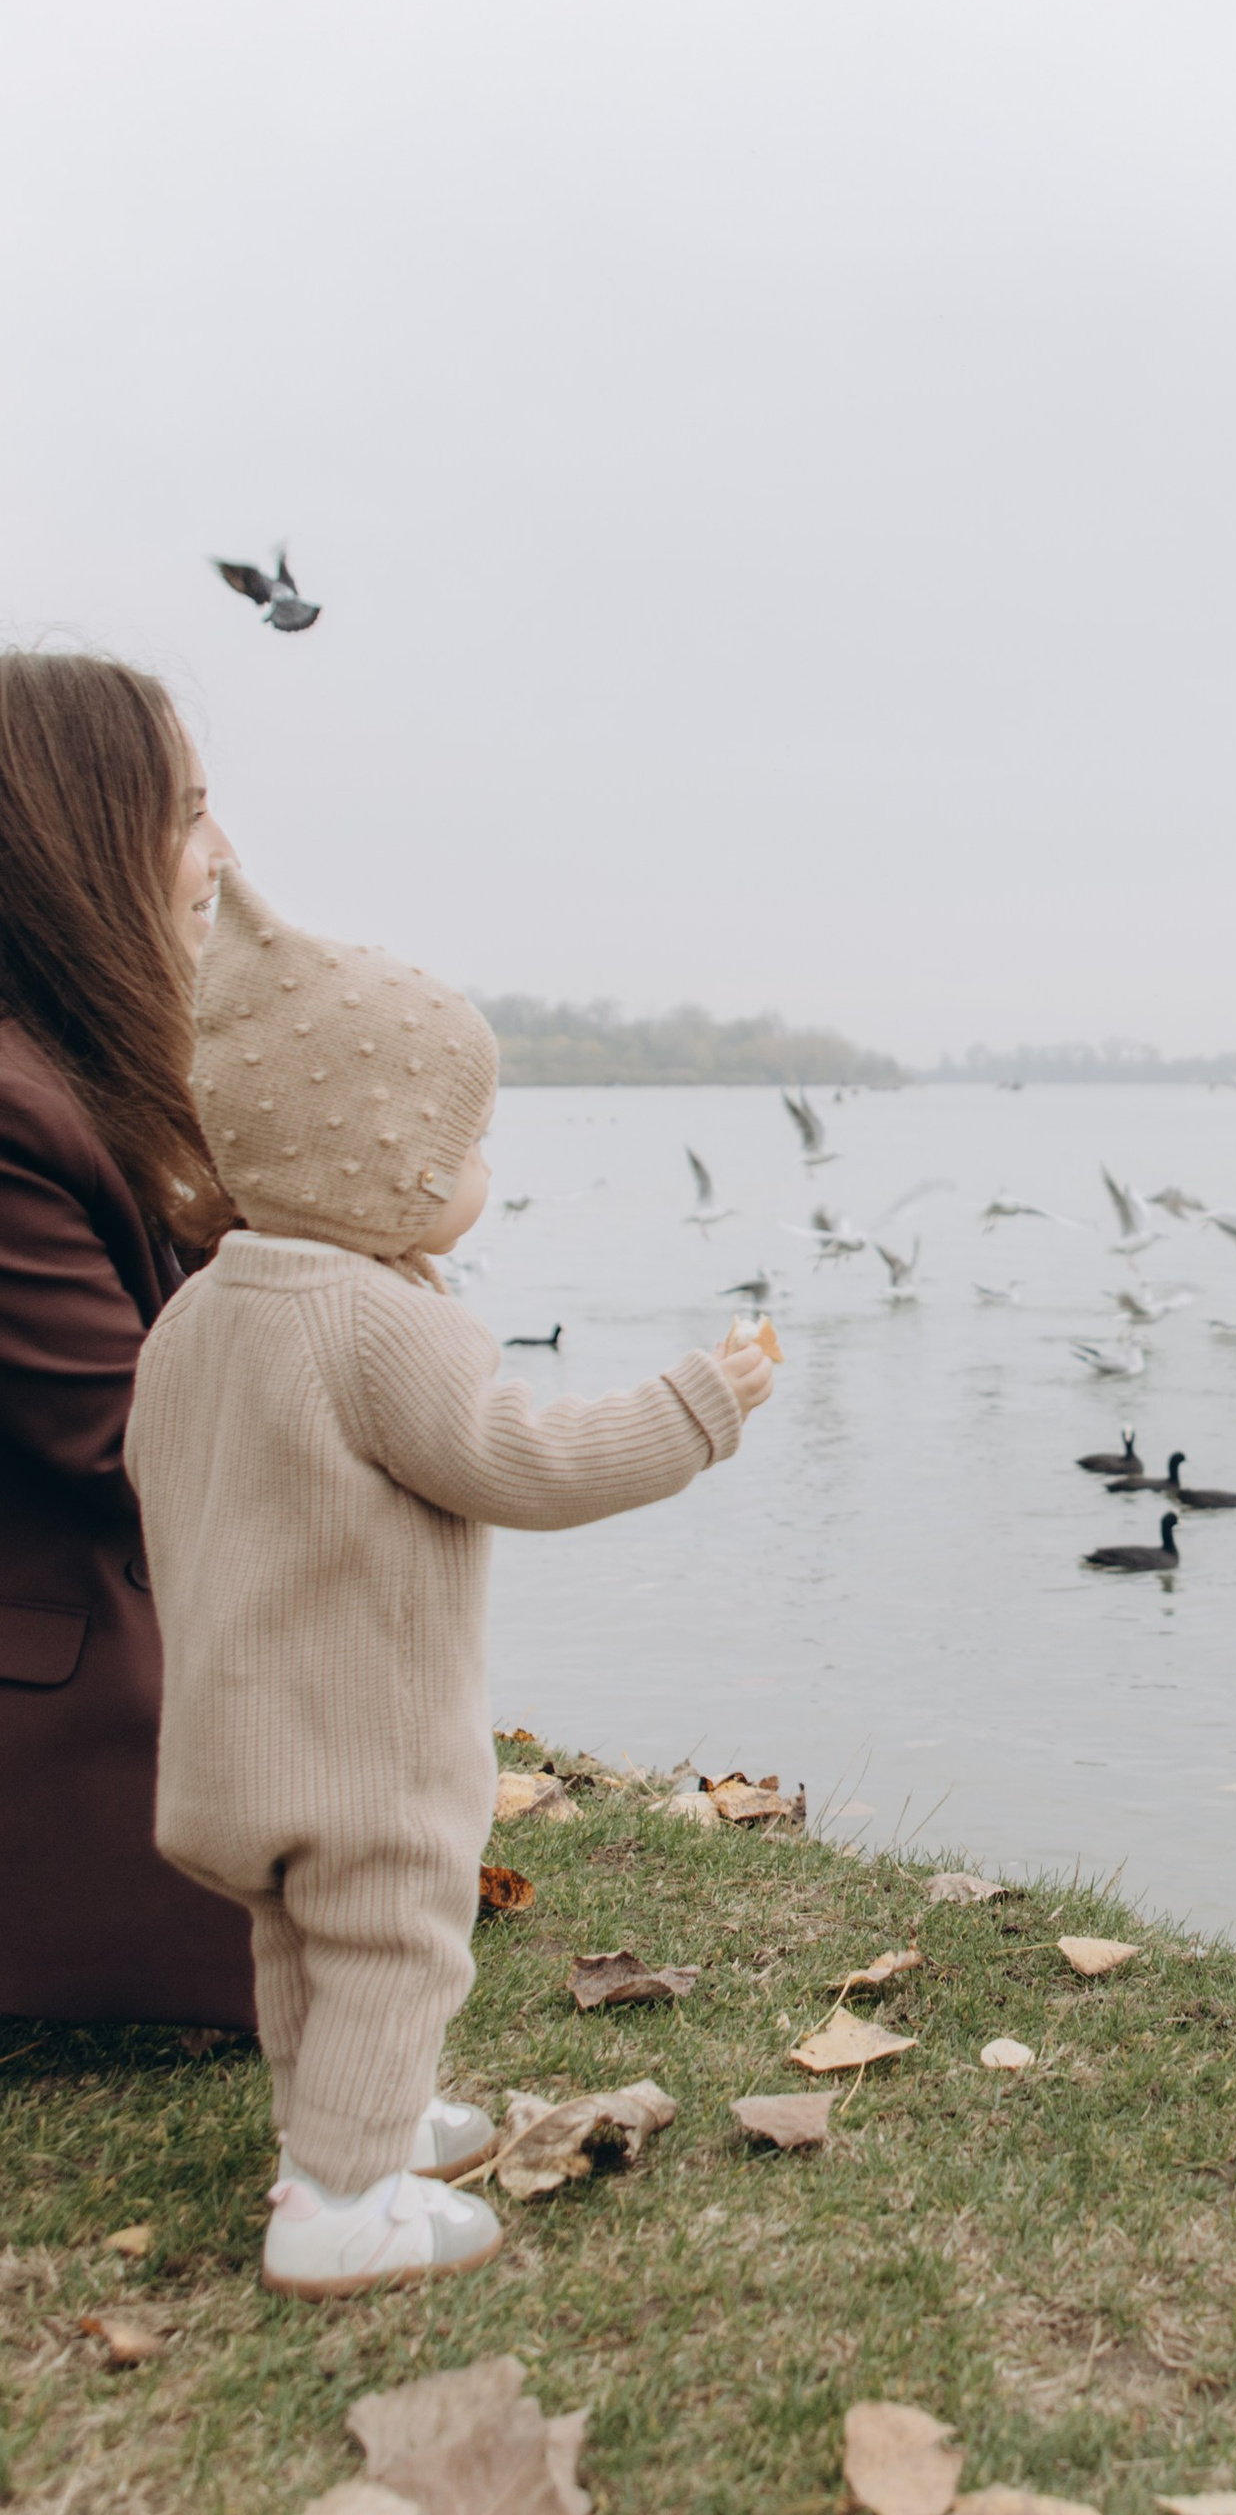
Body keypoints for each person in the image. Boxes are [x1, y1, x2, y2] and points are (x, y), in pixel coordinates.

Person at [126, 868, 779, 2299]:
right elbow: (525, 1460)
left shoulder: (198, 1314)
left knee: (304, 1943)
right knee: (394, 1940)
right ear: (392, 1173)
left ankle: (345, 2125)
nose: (484, 1175)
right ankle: (340, 2204)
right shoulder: (380, 1324)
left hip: (228, 1734)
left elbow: (161, 1475)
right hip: (361, 1741)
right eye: (470, 1149)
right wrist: (696, 1406)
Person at [0, 650, 256, 2030]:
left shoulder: (84, 1076)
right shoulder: (13, 1115)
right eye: (187, 813)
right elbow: (129, 1440)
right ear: (82, 838)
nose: (216, 855)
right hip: (61, 1733)